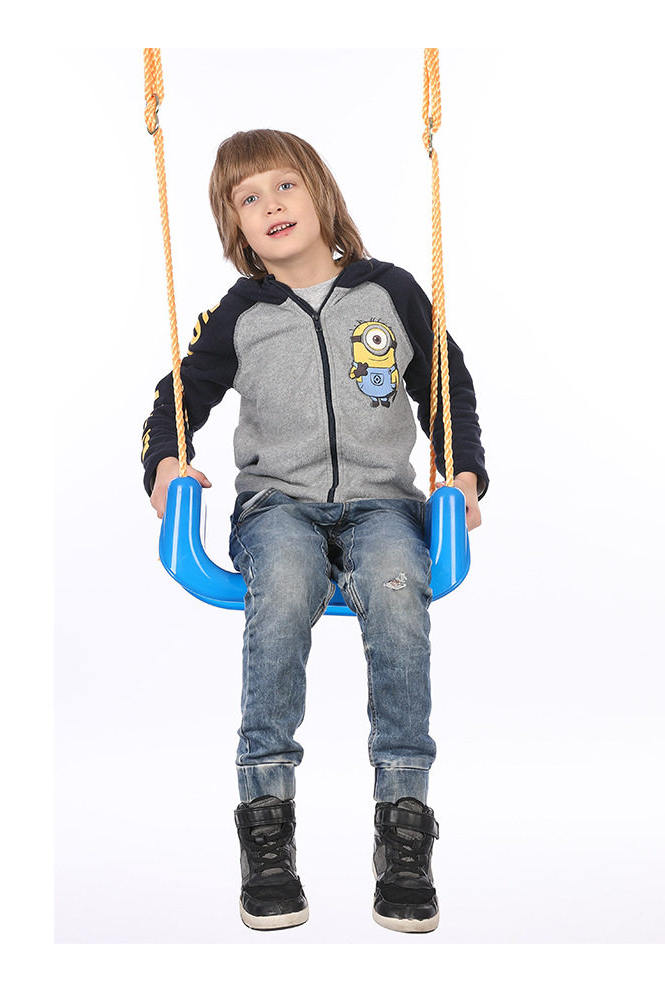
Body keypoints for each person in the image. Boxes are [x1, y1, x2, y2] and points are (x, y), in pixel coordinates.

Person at [141, 129, 488, 934]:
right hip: (278, 507)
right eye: (247, 197)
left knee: (398, 588)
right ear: (235, 225)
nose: (270, 205)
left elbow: (449, 388)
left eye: (283, 185)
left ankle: (404, 828)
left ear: (320, 192)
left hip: (383, 504)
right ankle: (267, 829)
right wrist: (164, 463)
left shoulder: (390, 292)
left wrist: (462, 473)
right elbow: (175, 400)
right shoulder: (240, 313)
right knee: (287, 579)